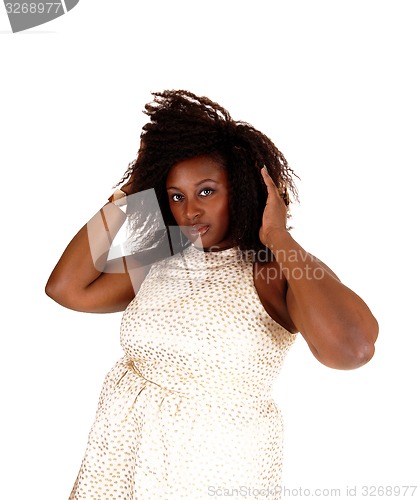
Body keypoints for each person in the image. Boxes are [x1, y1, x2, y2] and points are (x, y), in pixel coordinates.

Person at [45, 90, 379, 499]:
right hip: (121, 464)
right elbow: (66, 288)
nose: (190, 211)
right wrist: (128, 195)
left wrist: (277, 234)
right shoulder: (164, 256)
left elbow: (353, 349)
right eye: (175, 196)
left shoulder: (273, 269)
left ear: (240, 188)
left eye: (206, 191)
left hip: (214, 472)